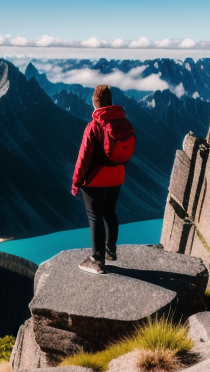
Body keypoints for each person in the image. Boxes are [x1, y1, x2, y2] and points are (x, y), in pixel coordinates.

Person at [71, 85, 127, 274]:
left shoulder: (94, 126)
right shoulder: (121, 123)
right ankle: (111, 250)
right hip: (117, 175)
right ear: (110, 102)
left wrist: (76, 182)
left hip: (95, 179)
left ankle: (97, 259)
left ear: (95, 103)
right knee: (109, 212)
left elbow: (83, 157)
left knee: (95, 216)